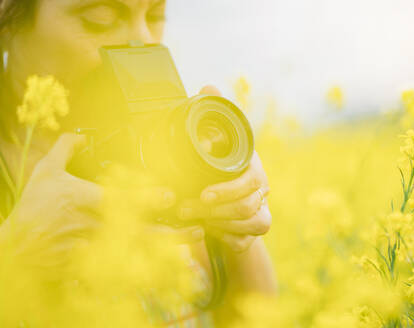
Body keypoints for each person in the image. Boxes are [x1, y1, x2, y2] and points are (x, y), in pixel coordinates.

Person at [0, 0, 277, 326]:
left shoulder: (159, 150)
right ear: (8, 18)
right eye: (98, 20)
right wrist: (14, 254)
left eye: (156, 16)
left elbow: (252, 317)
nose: (143, 40)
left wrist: (228, 193)